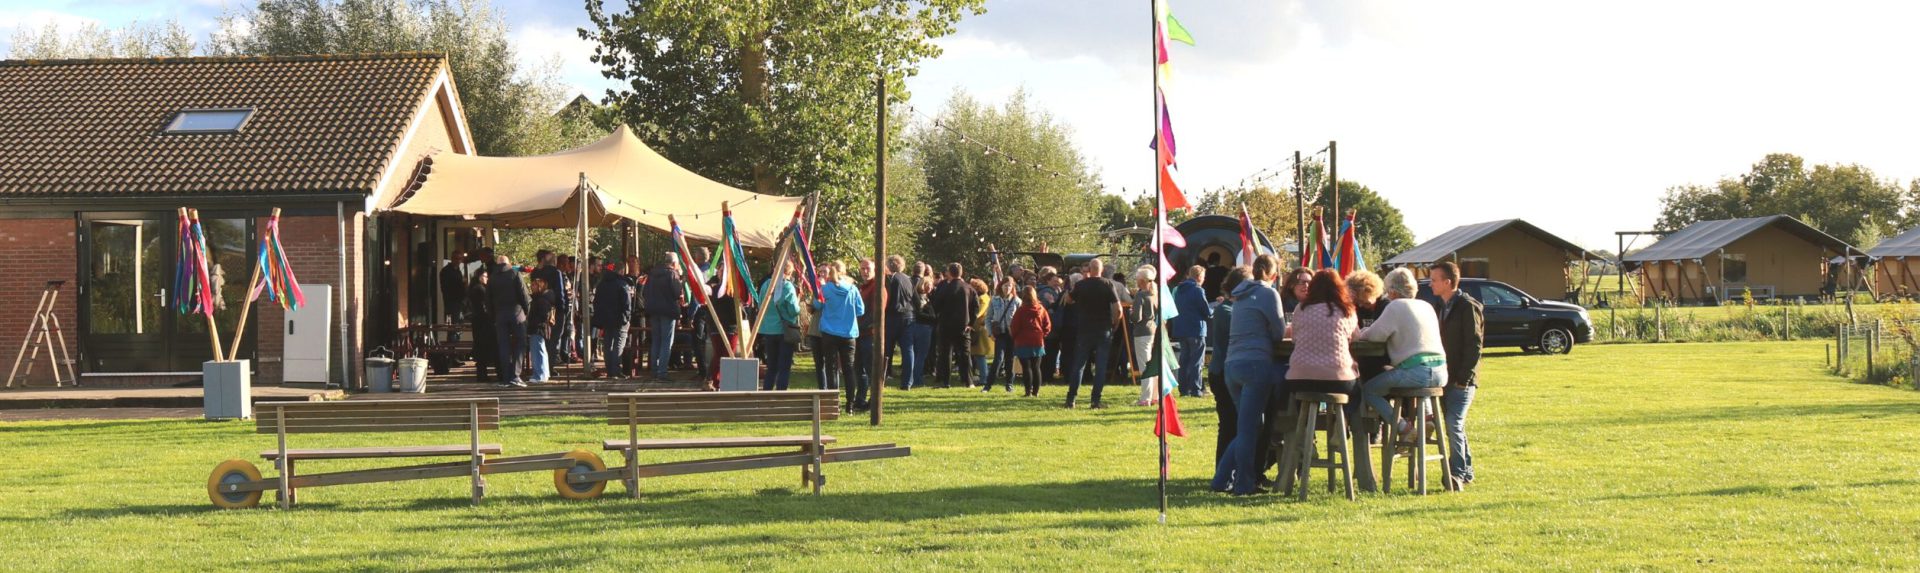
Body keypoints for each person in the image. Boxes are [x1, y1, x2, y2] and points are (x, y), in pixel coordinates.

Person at [1211, 256, 1286, 495]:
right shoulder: (1268, 293)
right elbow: (1279, 332)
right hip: (1256, 363)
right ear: (1273, 275)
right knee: (1248, 429)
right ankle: (1244, 484)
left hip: (1232, 365)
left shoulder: (1240, 295)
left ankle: (1221, 479)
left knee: (1250, 426)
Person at [1354, 268, 1448, 433]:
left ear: (1392, 291)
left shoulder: (1395, 306)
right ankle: (1427, 417)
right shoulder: (1426, 306)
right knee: (1420, 378)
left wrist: (1360, 333)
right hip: (1440, 371)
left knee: (1369, 390)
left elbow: (1376, 335)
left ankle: (1403, 428)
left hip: (1416, 371)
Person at [1427, 261, 1483, 488]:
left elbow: (1474, 345)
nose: (1430, 284)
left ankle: (1456, 474)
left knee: (1453, 423)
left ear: (1447, 282)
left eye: (1433, 280)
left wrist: (1464, 378)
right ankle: (1466, 472)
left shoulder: (1467, 306)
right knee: (1454, 426)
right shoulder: (1439, 306)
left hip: (1462, 380)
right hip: (1444, 377)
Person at [1063, 258, 1123, 409]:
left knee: (1079, 365)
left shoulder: (1081, 285)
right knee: (1101, 366)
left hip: (1084, 329)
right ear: (1101, 270)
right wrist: (1115, 323)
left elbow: (1069, 299)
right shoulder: (1108, 284)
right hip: (1103, 329)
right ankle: (1095, 400)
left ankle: (1071, 399)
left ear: (1089, 269)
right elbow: (1118, 309)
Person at [1208, 267, 1250, 465]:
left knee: (1232, 423)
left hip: (1226, 371)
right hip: (1222, 372)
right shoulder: (1226, 311)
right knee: (1228, 423)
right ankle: (1223, 469)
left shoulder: (1231, 309)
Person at [813, 262, 866, 395]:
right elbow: (861, 310)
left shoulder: (825, 289)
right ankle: (850, 404)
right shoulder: (853, 289)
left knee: (831, 368)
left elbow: (817, 306)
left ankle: (833, 400)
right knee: (849, 369)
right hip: (848, 333)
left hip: (829, 333)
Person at [931, 263, 979, 388]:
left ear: (949, 273)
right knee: (965, 354)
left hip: (946, 325)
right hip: (963, 325)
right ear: (961, 273)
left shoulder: (944, 288)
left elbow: (936, 305)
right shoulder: (969, 288)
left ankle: (946, 381)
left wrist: (939, 317)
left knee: (946, 354)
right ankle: (968, 381)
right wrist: (971, 323)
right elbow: (975, 308)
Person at [1169, 265, 1212, 398]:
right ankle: (1196, 389)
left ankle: (1183, 389)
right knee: (1197, 361)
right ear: (1199, 277)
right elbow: (1206, 311)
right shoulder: (1198, 290)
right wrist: (1214, 310)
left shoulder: (1179, 289)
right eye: (1203, 277)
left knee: (1185, 359)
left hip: (1181, 328)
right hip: (1196, 329)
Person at [758, 264, 803, 391]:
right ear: (789, 272)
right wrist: (798, 300)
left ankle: (767, 391)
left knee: (771, 365)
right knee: (784, 365)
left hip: (768, 329)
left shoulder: (766, 285)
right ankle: (781, 393)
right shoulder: (787, 286)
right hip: (784, 330)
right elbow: (794, 310)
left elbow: (761, 304)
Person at [1347, 270, 1392, 393]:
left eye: (1365, 302)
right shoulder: (1356, 307)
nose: (1361, 305)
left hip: (1384, 358)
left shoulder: (1386, 306)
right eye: (1358, 302)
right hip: (1364, 357)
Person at [489, 255, 530, 388]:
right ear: (508, 263)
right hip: (517, 314)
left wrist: (493, 315)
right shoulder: (515, 274)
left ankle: (506, 378)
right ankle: (516, 375)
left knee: (503, 346)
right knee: (520, 343)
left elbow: (488, 299)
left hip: (500, 315)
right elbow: (524, 295)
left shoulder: (492, 277)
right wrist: (526, 310)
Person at [643, 256, 686, 381]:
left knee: (656, 340)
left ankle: (654, 370)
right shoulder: (672, 274)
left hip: (653, 311)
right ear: (674, 263)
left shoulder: (652, 274)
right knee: (666, 342)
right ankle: (662, 372)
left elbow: (645, 292)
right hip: (668, 311)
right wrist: (681, 282)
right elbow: (677, 292)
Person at [593, 261, 637, 380]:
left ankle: (610, 370)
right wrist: (627, 317)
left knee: (608, 344)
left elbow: (596, 301)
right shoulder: (623, 284)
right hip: (620, 319)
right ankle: (616, 371)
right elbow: (627, 304)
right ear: (622, 271)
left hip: (606, 319)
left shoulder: (602, 284)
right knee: (619, 345)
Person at [1126, 265, 1160, 407]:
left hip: (1141, 331)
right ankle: (1154, 396)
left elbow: (1136, 318)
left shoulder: (1140, 294)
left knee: (1144, 365)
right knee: (1151, 364)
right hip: (1152, 328)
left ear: (1141, 280)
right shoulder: (1154, 293)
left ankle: (1145, 398)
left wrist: (1131, 313)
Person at [1009, 285, 1051, 397]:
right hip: (1037, 340)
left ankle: (1028, 391)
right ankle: (1036, 391)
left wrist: (1015, 337)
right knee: (1036, 367)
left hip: (1022, 341)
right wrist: (1043, 335)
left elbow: (1014, 326)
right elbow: (1047, 325)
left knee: (1026, 368)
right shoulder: (1041, 309)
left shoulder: (1021, 311)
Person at [883, 256, 917, 391]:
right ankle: (907, 382)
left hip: (893, 316)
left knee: (886, 349)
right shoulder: (908, 279)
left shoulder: (891, 279)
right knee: (908, 349)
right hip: (908, 315)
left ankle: (883, 377)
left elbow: (890, 299)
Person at [531, 251, 568, 368]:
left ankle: (542, 366)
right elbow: (560, 293)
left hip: (539, 309)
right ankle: (550, 366)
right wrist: (563, 309)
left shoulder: (534, 273)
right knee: (554, 338)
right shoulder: (556, 273)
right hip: (555, 309)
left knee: (543, 338)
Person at [905, 263, 938, 390]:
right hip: (923, 327)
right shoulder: (921, 298)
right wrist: (933, 318)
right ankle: (917, 379)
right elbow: (920, 313)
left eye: (931, 286)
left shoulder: (925, 297)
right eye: (928, 286)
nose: (930, 288)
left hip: (922, 326)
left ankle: (915, 377)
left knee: (919, 354)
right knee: (921, 354)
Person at [852, 259, 879, 408]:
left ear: (874, 269)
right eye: (862, 269)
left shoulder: (876, 287)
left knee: (870, 369)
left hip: (870, 333)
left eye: (868, 268)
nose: (865, 271)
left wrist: (869, 326)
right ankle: (860, 399)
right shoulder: (863, 287)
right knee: (859, 368)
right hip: (859, 333)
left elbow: (877, 311)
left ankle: (874, 400)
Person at [985, 277, 1019, 393]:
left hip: (1012, 335)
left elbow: (1020, 319)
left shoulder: (1017, 301)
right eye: (1005, 285)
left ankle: (1009, 384)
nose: (1007, 288)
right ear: (1001, 286)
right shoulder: (994, 300)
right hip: (999, 334)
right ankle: (987, 385)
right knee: (998, 360)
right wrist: (990, 333)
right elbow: (988, 318)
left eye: (1009, 285)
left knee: (1010, 360)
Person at [466, 270, 497, 382]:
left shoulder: (474, 288)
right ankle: (482, 374)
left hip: (477, 321)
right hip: (483, 321)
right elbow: (484, 306)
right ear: (480, 277)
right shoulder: (480, 289)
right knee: (483, 347)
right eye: (485, 276)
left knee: (480, 347)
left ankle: (481, 373)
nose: (487, 278)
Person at [967, 278, 994, 392]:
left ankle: (984, 378)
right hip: (980, 328)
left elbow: (978, 313)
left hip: (980, 329)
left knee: (980, 355)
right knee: (979, 355)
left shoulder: (982, 299)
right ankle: (983, 376)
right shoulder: (986, 297)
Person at [527, 277, 555, 383]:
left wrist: (533, 323)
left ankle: (539, 375)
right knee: (540, 350)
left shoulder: (540, 300)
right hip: (540, 328)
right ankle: (543, 373)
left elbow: (543, 315)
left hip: (538, 328)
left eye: (534, 285)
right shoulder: (541, 299)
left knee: (537, 351)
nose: (531, 287)